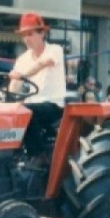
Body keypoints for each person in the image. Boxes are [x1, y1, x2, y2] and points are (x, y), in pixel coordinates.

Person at [9, 12, 66, 156]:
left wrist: (22, 75)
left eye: (30, 34)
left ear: (42, 34)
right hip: (32, 103)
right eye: (24, 35)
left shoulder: (55, 50)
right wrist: (13, 84)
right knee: (10, 111)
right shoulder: (22, 59)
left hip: (53, 105)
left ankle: (38, 155)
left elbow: (41, 64)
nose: (26, 39)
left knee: (26, 111)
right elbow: (14, 88)